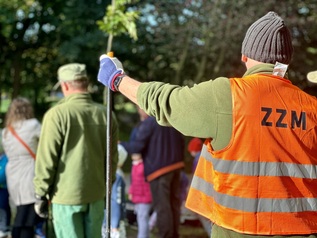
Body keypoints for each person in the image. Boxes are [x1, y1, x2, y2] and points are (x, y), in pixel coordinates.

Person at [97, 11, 317, 238]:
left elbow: (164, 100)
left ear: (245, 56)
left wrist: (117, 79)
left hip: (236, 231)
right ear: (287, 61)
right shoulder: (312, 108)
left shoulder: (228, 96)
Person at [33, 63, 119, 238]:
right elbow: (112, 160)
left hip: (66, 196)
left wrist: (40, 193)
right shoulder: (106, 114)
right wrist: (106, 188)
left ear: (65, 85)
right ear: (85, 84)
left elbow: (47, 160)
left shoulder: (56, 115)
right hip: (96, 194)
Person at [120, 107, 185, 238]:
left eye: (139, 108)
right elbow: (182, 142)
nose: (139, 111)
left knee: (162, 207)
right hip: (176, 167)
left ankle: (165, 235)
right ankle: (174, 234)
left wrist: (121, 144)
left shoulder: (149, 123)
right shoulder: (172, 120)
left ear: (146, 108)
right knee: (173, 205)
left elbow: (136, 147)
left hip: (158, 171)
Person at [1, 98, 45, 238]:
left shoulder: (6, 131)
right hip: (29, 170)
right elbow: (45, 143)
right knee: (28, 216)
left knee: (20, 211)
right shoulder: (33, 125)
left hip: (13, 172)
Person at [187, 138, 212, 237]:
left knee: (203, 215)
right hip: (209, 190)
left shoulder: (198, 160)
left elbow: (197, 176)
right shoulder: (206, 155)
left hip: (203, 191)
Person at [102, 144, 127, 238]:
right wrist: (115, 224)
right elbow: (117, 200)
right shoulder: (118, 177)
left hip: (105, 218)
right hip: (113, 222)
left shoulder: (105, 173)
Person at [129, 153, 152, 238]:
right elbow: (133, 181)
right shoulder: (135, 165)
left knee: (142, 218)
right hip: (138, 197)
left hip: (144, 196)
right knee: (141, 218)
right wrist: (131, 192)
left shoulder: (145, 165)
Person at [0, 131, 10, 238]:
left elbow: (3, 175)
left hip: (3, 188)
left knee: (2, 206)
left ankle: (3, 227)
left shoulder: (6, 158)